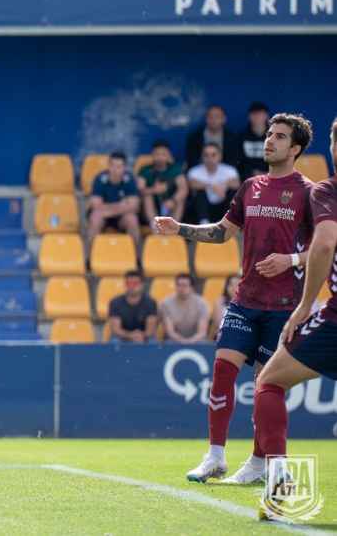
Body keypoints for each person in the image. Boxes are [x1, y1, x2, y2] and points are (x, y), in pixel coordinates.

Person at [153, 113, 314, 484]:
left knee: (265, 386)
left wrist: (290, 259)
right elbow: (222, 233)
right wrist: (180, 229)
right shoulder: (251, 187)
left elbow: (326, 248)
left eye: (279, 136)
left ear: (296, 148)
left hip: (284, 307)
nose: (270, 141)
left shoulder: (308, 192)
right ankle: (215, 456)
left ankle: (259, 463)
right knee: (222, 371)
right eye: (269, 134)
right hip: (245, 300)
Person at [253, 118, 337, 497]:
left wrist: (304, 306)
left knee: (269, 381)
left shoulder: (327, 191)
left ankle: (280, 476)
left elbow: (323, 246)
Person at [86, 152, 141, 253]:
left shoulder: (129, 179)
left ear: (124, 168)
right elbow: (96, 206)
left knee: (132, 219)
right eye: (113, 166)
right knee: (95, 217)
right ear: (108, 166)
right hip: (103, 217)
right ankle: (89, 257)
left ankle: (136, 258)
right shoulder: (100, 178)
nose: (115, 170)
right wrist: (122, 205)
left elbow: (134, 206)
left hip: (119, 218)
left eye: (119, 167)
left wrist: (108, 210)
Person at [186, 143, 241, 223]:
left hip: (223, 206)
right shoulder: (194, 171)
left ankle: (228, 222)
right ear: (202, 157)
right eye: (206, 155)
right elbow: (191, 184)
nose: (210, 158)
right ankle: (204, 224)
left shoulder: (230, 170)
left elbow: (237, 184)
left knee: (233, 193)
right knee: (199, 193)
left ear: (220, 156)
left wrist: (224, 186)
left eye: (213, 155)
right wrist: (211, 186)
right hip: (203, 208)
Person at [137, 140, 188, 224]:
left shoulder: (175, 169)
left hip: (170, 205)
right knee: (147, 196)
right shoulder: (145, 170)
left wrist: (173, 200)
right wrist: (154, 190)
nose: (160, 157)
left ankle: (173, 227)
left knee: (180, 200)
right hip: (150, 209)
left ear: (168, 155)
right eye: (157, 154)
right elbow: (139, 190)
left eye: (163, 154)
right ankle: (155, 227)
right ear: (152, 155)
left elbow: (183, 189)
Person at [106, 270, 157, 343]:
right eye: (128, 284)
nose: (131, 287)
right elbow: (116, 329)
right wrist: (131, 336)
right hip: (122, 336)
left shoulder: (150, 303)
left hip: (144, 336)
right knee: (114, 341)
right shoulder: (115, 302)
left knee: (153, 342)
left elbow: (150, 329)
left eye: (135, 284)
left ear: (142, 285)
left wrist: (141, 336)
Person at [185, 104, 240, 170]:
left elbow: (234, 161)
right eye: (210, 117)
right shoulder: (194, 137)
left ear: (224, 119)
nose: (213, 120)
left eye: (217, 117)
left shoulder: (232, 137)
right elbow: (192, 161)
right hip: (201, 172)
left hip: (224, 173)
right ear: (206, 119)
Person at [159, 274, 210, 343]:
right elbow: (170, 332)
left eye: (184, 285)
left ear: (192, 288)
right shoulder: (166, 303)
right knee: (169, 342)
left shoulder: (202, 303)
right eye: (178, 285)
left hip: (196, 339)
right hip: (174, 340)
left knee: (203, 342)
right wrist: (182, 341)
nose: (181, 288)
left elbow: (202, 332)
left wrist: (190, 341)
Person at [238, 102, 271, 179]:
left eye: (260, 114)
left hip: (271, 177)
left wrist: (268, 173)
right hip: (247, 178)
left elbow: (279, 159)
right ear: (249, 116)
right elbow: (238, 161)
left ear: (266, 116)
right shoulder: (241, 137)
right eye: (254, 114)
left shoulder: (275, 137)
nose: (257, 117)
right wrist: (252, 172)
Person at [210, 275, 241, 341]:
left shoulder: (248, 303)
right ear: (226, 287)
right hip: (223, 335)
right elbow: (218, 324)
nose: (233, 288)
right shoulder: (219, 301)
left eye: (237, 284)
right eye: (230, 285)